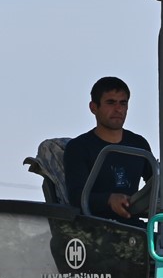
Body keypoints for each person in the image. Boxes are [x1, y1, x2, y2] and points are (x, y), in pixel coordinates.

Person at [63, 76, 153, 220]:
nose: (118, 109)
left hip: (135, 230)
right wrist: (109, 200)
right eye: (110, 103)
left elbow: (156, 183)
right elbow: (75, 197)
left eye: (122, 103)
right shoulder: (78, 148)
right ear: (93, 107)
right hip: (94, 229)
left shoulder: (139, 145)